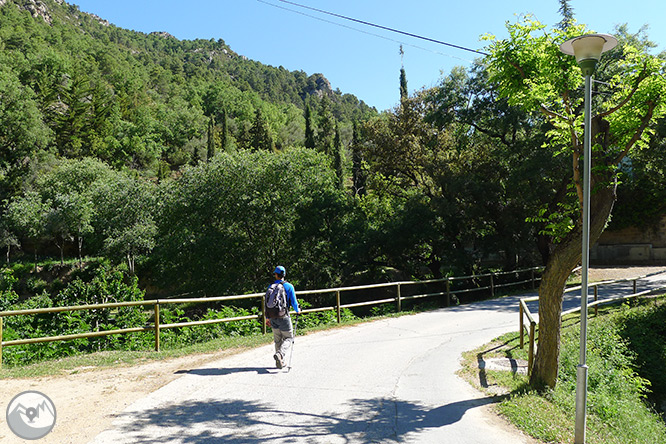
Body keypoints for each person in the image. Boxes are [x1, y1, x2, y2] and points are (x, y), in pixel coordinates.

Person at [265, 265, 300, 369]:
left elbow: (267, 302)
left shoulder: (270, 286)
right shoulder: (289, 286)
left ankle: (280, 361)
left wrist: (267, 317)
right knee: (289, 337)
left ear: (276, 275)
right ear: (284, 275)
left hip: (272, 316)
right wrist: (298, 310)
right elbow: (293, 302)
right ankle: (280, 355)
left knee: (277, 340)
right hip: (284, 316)